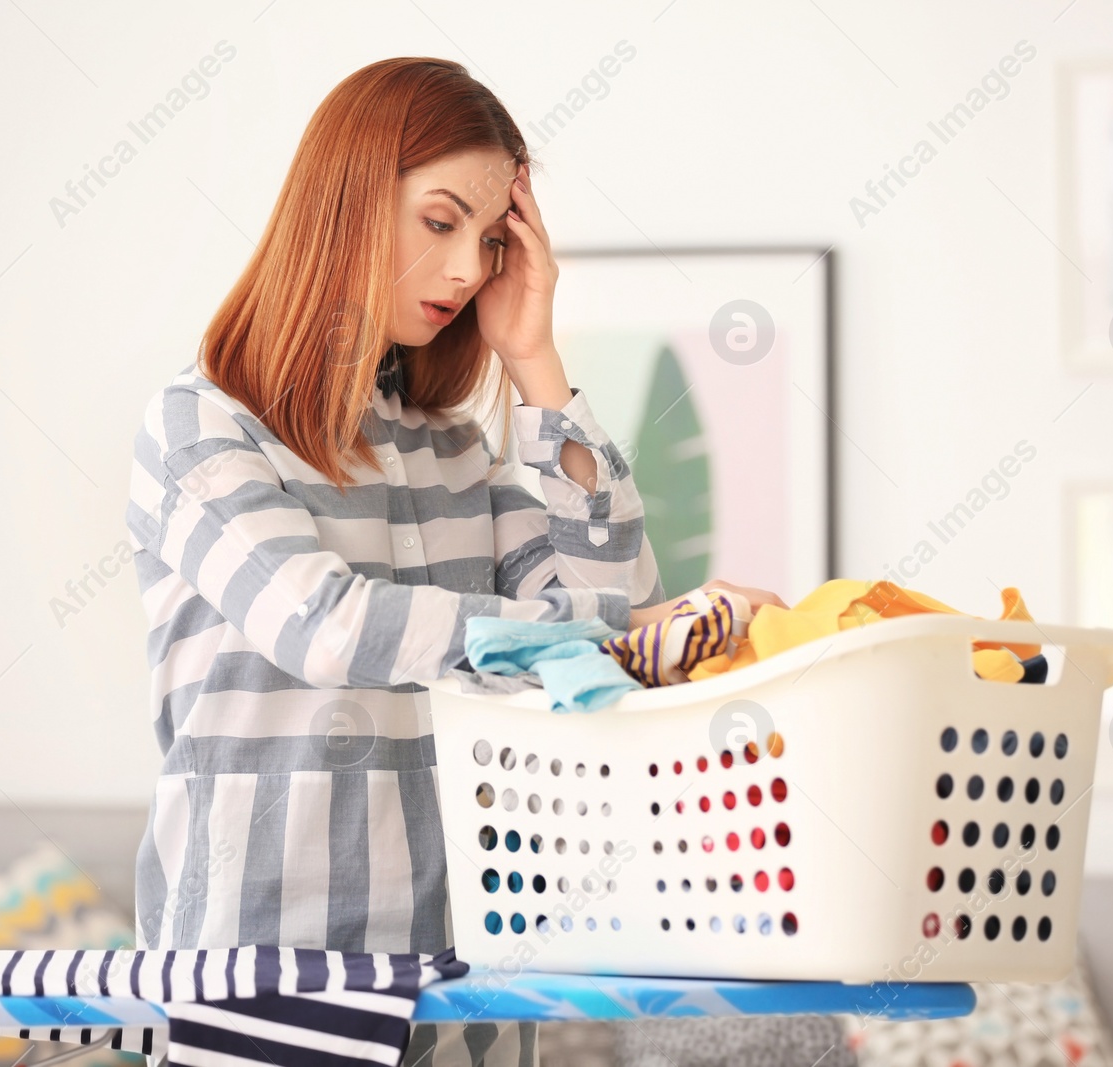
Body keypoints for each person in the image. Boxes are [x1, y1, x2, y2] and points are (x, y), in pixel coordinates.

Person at [125, 56, 787, 1066]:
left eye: (488, 241)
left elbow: (612, 608)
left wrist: (534, 361)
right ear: (343, 200)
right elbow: (323, 625)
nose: (470, 270)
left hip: (462, 980)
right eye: (441, 223)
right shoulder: (202, 426)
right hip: (262, 973)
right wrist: (588, 641)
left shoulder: (454, 450)